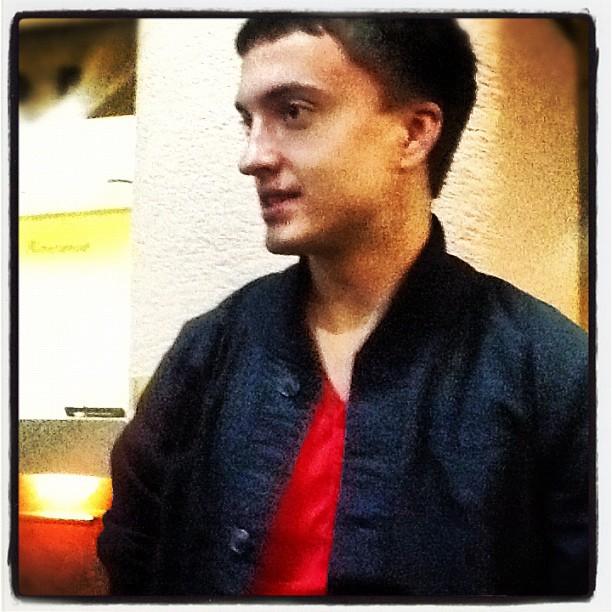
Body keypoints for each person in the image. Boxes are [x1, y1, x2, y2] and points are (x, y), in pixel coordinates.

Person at [97, 17, 589, 597]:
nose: (252, 157)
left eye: (293, 112)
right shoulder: (207, 353)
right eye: (249, 121)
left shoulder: (555, 374)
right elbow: (132, 553)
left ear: (413, 133)